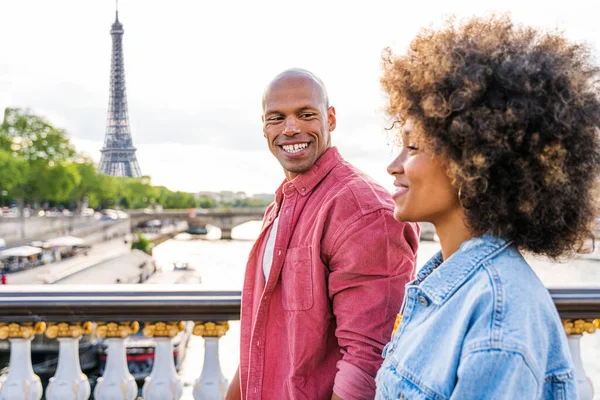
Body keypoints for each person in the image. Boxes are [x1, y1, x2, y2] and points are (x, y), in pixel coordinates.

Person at [376, 15, 600, 399]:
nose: (394, 164)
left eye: (413, 147)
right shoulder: (444, 285)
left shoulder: (500, 317)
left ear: (472, 161)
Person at [226, 69, 420, 400]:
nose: (290, 128)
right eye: (277, 118)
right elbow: (262, 339)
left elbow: (367, 361)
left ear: (330, 119)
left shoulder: (364, 210)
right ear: (264, 127)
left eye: (305, 114)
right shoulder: (281, 206)